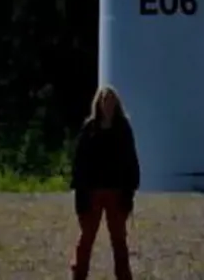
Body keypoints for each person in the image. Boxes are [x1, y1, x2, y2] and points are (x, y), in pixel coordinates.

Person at [68, 83, 139, 280]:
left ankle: (124, 276)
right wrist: (79, 192)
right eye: (104, 101)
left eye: (110, 101)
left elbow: (131, 159)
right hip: (92, 191)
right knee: (87, 237)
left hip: (117, 190)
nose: (107, 105)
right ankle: (78, 275)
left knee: (119, 239)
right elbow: (79, 162)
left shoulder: (123, 129)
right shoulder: (89, 128)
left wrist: (130, 190)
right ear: (97, 104)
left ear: (116, 105)